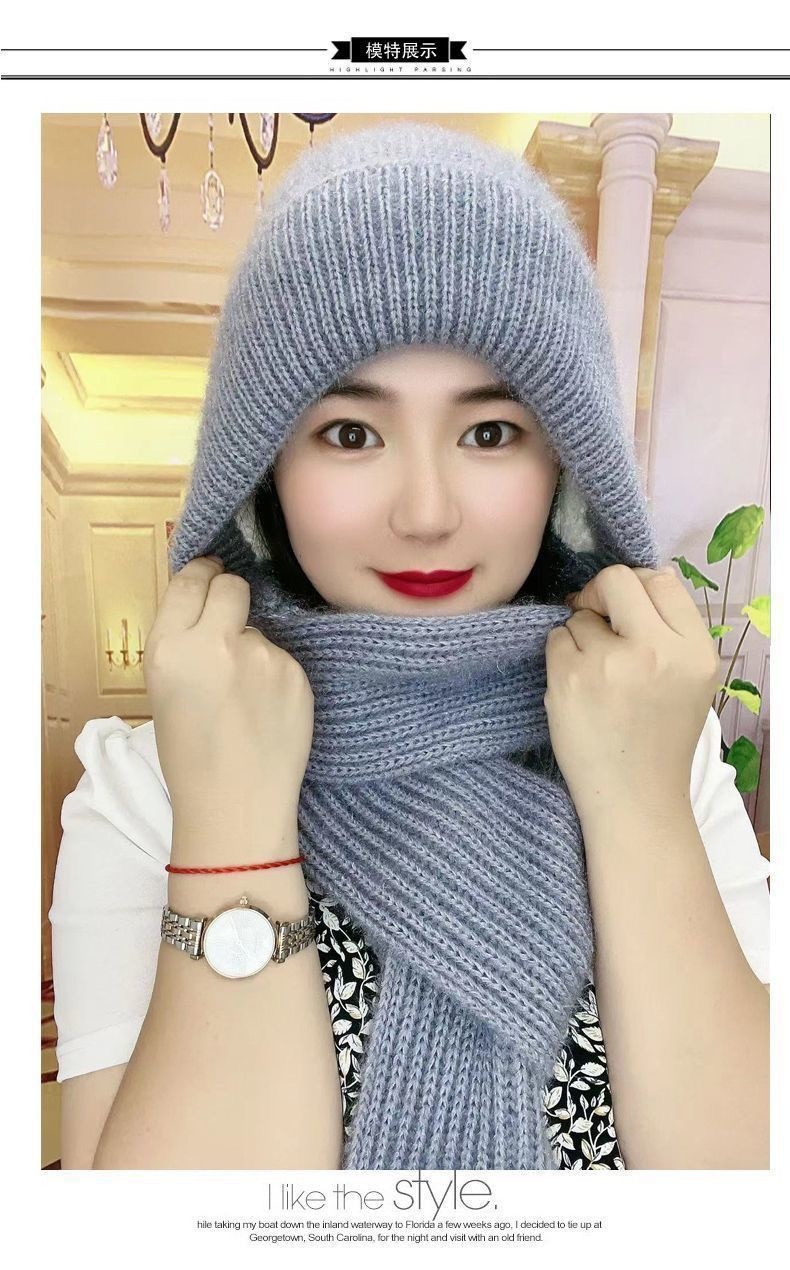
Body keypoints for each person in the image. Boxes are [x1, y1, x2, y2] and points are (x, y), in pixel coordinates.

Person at [49, 121, 770, 1171]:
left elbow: (748, 1196)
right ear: (267, 469)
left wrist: (639, 801)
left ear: (564, 466)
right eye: (351, 433)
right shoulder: (148, 782)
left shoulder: (663, 742)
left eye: (490, 432)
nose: (426, 513)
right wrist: (233, 820)